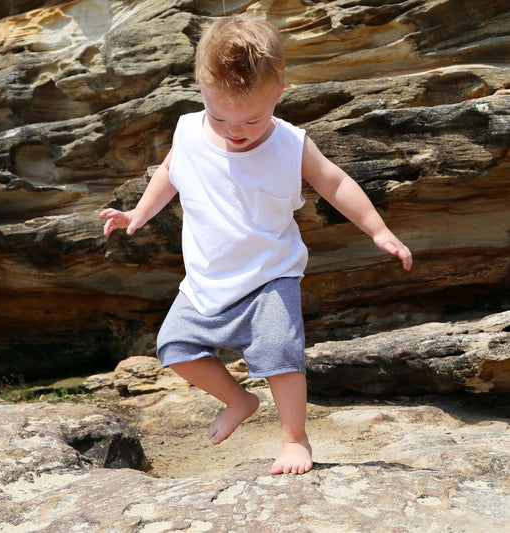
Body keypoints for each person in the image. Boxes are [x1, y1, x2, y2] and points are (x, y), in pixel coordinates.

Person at [99, 14, 412, 475]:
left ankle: (294, 440)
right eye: (220, 115)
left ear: (279, 93)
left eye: (253, 117)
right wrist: (138, 213)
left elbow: (335, 182)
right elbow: (169, 172)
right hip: (207, 279)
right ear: (200, 86)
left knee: (281, 358)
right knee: (175, 348)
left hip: (270, 274)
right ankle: (239, 400)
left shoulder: (289, 143)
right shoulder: (188, 130)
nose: (235, 129)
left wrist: (377, 229)